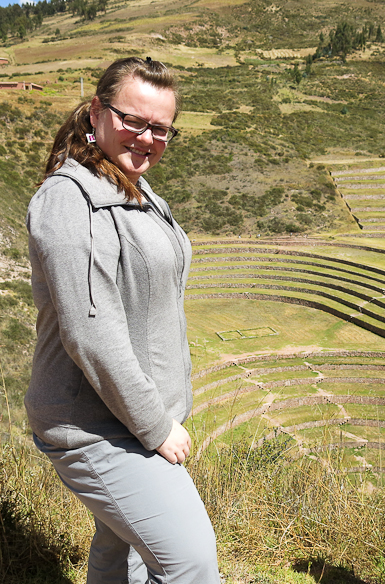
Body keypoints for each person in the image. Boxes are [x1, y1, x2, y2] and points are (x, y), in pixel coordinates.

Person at [25, 57, 220, 584]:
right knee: (191, 562)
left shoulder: (134, 187)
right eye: (132, 120)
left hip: (132, 415)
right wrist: (156, 426)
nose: (146, 137)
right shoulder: (70, 201)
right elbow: (92, 334)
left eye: (160, 128)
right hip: (96, 425)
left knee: (123, 553)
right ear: (97, 113)